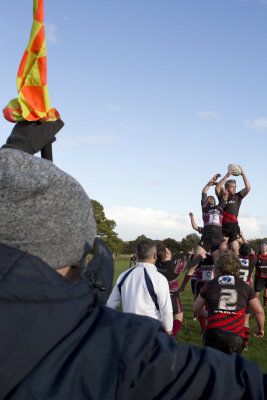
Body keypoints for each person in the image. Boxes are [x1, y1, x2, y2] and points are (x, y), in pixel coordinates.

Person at [1, 142, 267, 399]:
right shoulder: (124, 348)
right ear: (77, 258)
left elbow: (113, 302)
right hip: (160, 329)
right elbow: (233, 383)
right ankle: (204, 278)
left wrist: (17, 146)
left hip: (214, 251)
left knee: (223, 254)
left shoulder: (123, 281)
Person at [193, 250, 265, 355]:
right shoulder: (246, 287)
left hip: (213, 333)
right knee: (230, 369)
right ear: (237, 267)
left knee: (211, 368)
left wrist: (210, 315)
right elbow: (259, 312)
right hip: (235, 336)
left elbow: (196, 309)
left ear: (219, 266)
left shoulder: (209, 285)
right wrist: (261, 329)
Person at [107, 239, 173, 334]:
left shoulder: (123, 275)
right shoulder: (159, 279)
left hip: (127, 333)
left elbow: (110, 305)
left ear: (136, 254)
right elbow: (166, 311)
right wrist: (169, 334)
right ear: (154, 255)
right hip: (151, 334)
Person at [179, 174, 227, 293]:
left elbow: (225, 193)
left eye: (212, 199)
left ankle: (218, 287)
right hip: (206, 238)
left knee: (218, 265)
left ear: (215, 201)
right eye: (208, 199)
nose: (210, 199)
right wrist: (211, 182)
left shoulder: (220, 207)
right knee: (194, 262)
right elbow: (204, 191)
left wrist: (219, 184)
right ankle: (183, 287)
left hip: (217, 240)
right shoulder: (205, 208)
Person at [215, 166, 251, 254]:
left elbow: (248, 188)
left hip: (233, 226)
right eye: (232, 187)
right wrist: (227, 175)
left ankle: (236, 267)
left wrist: (242, 174)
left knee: (235, 248)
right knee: (221, 249)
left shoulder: (237, 196)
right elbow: (217, 188)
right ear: (227, 188)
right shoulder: (222, 196)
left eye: (235, 187)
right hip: (222, 226)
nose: (235, 188)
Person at [156, 246, 187, 336]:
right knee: (178, 316)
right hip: (172, 294)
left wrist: (186, 253)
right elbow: (189, 265)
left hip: (160, 294)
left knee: (163, 318)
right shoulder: (174, 264)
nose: (171, 253)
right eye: (169, 251)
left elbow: (170, 258)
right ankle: (171, 338)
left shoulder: (158, 263)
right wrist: (200, 257)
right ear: (166, 255)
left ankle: (161, 337)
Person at [238, 243, 257, 350]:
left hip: (236, 289)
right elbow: (253, 252)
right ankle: (245, 345)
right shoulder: (252, 260)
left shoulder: (235, 259)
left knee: (235, 318)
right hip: (247, 290)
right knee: (246, 320)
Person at [254, 240, 267, 307]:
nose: (263, 247)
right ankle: (256, 308)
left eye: (265, 245)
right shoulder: (257, 255)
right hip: (259, 277)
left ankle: (265, 303)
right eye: (262, 245)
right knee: (256, 294)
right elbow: (252, 264)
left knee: (266, 291)